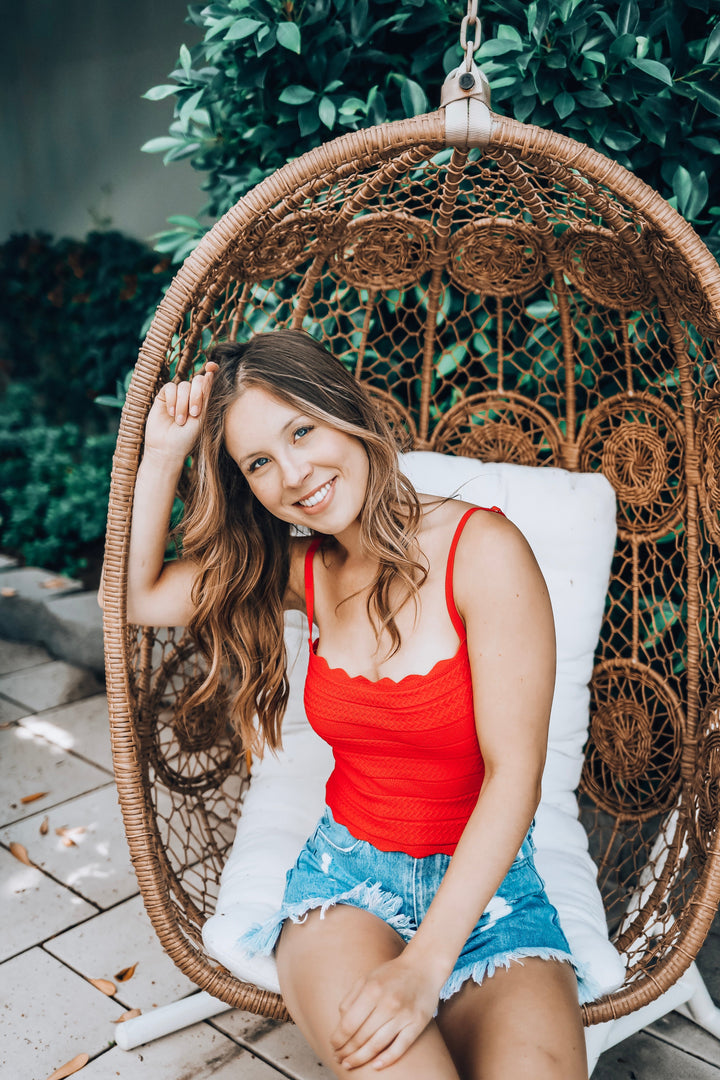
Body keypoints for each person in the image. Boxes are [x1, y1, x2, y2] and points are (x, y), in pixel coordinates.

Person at [124, 328, 589, 1079]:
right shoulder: (299, 570)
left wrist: (423, 969)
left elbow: (515, 776)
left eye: (301, 430)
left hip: (494, 894)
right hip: (347, 885)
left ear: (346, 411)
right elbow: (140, 597)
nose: (295, 474)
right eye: (261, 463)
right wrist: (164, 455)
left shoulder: (483, 550)